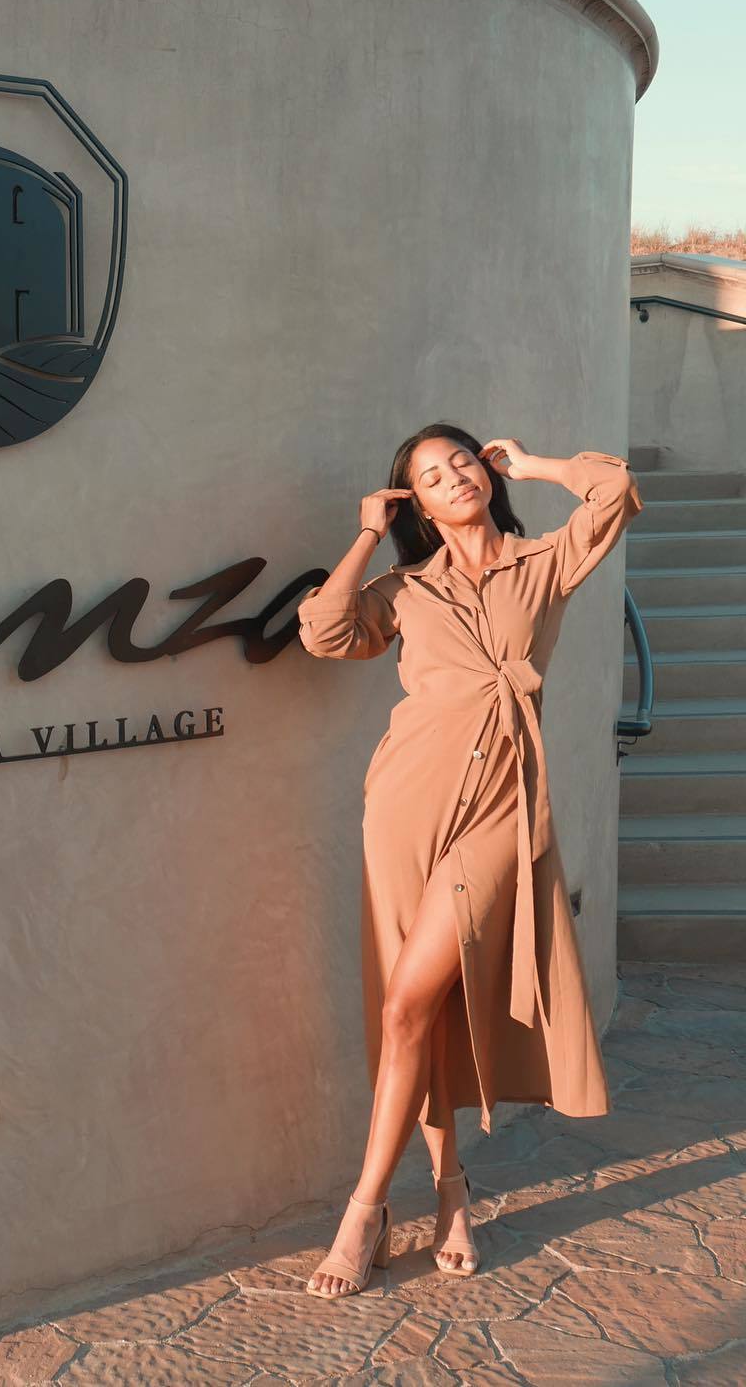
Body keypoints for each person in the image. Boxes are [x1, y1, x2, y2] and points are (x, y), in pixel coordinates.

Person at [294, 423, 643, 1298]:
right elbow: (325, 632)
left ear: (487, 475)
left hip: (499, 807)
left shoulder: (544, 562)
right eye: (429, 476)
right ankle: (451, 1190)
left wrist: (535, 464)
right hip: (406, 803)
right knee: (421, 1011)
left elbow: (613, 490)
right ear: (415, 501)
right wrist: (368, 532)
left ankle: (364, 1209)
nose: (453, 478)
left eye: (462, 462)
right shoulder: (406, 587)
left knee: (408, 1000)